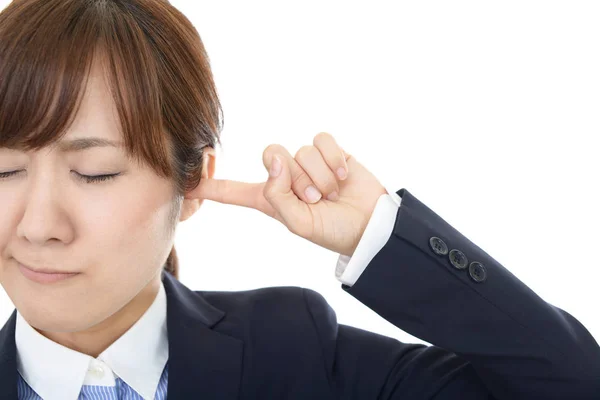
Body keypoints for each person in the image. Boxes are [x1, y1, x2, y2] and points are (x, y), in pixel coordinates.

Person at [0, 1, 598, 399]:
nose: (39, 225)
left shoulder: (292, 351)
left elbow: (573, 386)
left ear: (191, 185)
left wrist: (381, 238)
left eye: (95, 172)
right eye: (5, 169)